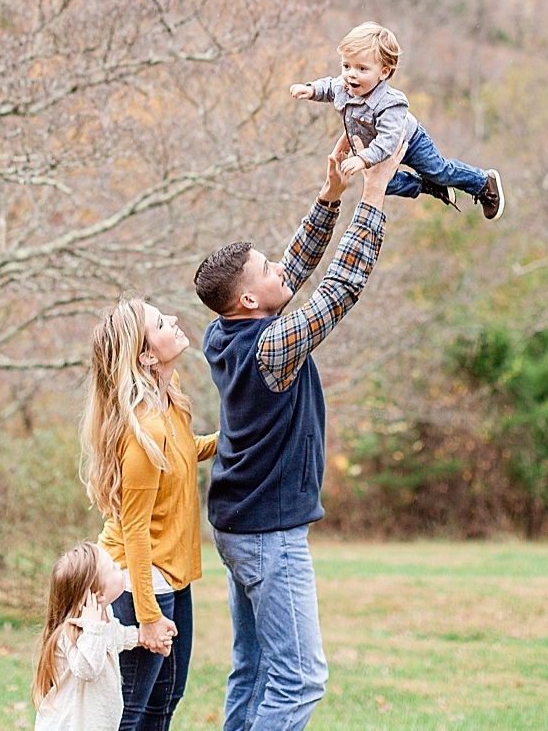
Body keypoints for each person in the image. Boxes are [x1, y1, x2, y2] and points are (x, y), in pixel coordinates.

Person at [192, 132, 405, 730]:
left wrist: (329, 197)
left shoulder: (223, 333)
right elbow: (340, 288)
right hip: (268, 533)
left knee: (255, 669)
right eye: (266, 268)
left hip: (237, 524)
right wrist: (373, 194)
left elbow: (294, 271)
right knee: (299, 681)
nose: (279, 267)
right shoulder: (271, 347)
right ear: (248, 298)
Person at [81, 294, 219, 731]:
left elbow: (184, 452)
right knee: (129, 712)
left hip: (171, 576)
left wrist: (237, 438)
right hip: (140, 583)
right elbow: (135, 531)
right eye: (160, 323)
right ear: (146, 355)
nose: (174, 320)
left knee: (165, 699)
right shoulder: (143, 432)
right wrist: (148, 617)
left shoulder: (170, 404)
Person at [290, 20, 505, 220]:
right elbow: (329, 87)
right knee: (384, 184)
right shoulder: (344, 86)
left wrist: (364, 158)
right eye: (346, 66)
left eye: (362, 69)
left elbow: (388, 140)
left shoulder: (391, 103)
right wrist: (311, 89)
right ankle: (428, 186)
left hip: (408, 142)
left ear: (384, 72)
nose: (351, 74)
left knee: (439, 171)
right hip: (375, 146)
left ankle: (482, 182)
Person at [32, 542, 150, 731]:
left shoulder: (105, 615)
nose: (119, 565)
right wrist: (93, 629)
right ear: (100, 595)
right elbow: (88, 669)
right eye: (113, 568)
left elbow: (116, 636)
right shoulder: (71, 632)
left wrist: (144, 637)